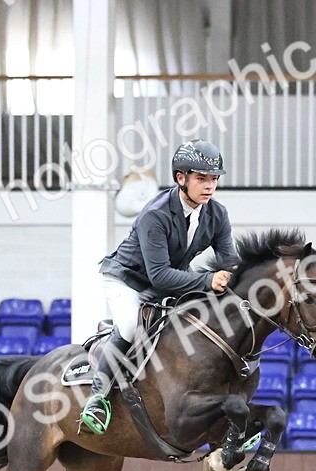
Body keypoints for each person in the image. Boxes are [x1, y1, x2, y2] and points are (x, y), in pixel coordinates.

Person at [79, 138, 237, 435]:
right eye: (201, 179)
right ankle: (97, 399)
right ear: (181, 178)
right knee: (128, 325)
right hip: (129, 279)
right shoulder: (156, 214)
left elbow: (231, 262)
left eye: (214, 179)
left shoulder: (218, 215)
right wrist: (207, 280)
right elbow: (160, 277)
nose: (209, 186)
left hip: (170, 277)